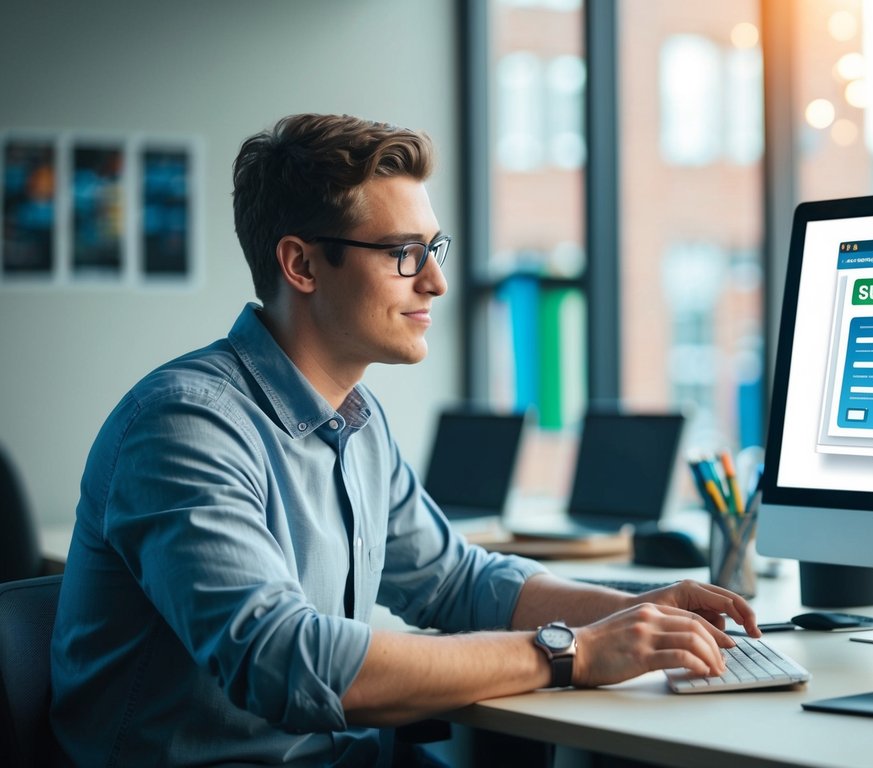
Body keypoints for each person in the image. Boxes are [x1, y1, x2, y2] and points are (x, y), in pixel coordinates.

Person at [49, 113, 759, 767]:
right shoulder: (184, 426)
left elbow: (455, 582)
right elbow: (284, 661)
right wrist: (568, 651)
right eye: (403, 253)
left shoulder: (355, 419)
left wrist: (634, 613)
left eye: (434, 247)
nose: (437, 280)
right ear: (301, 265)